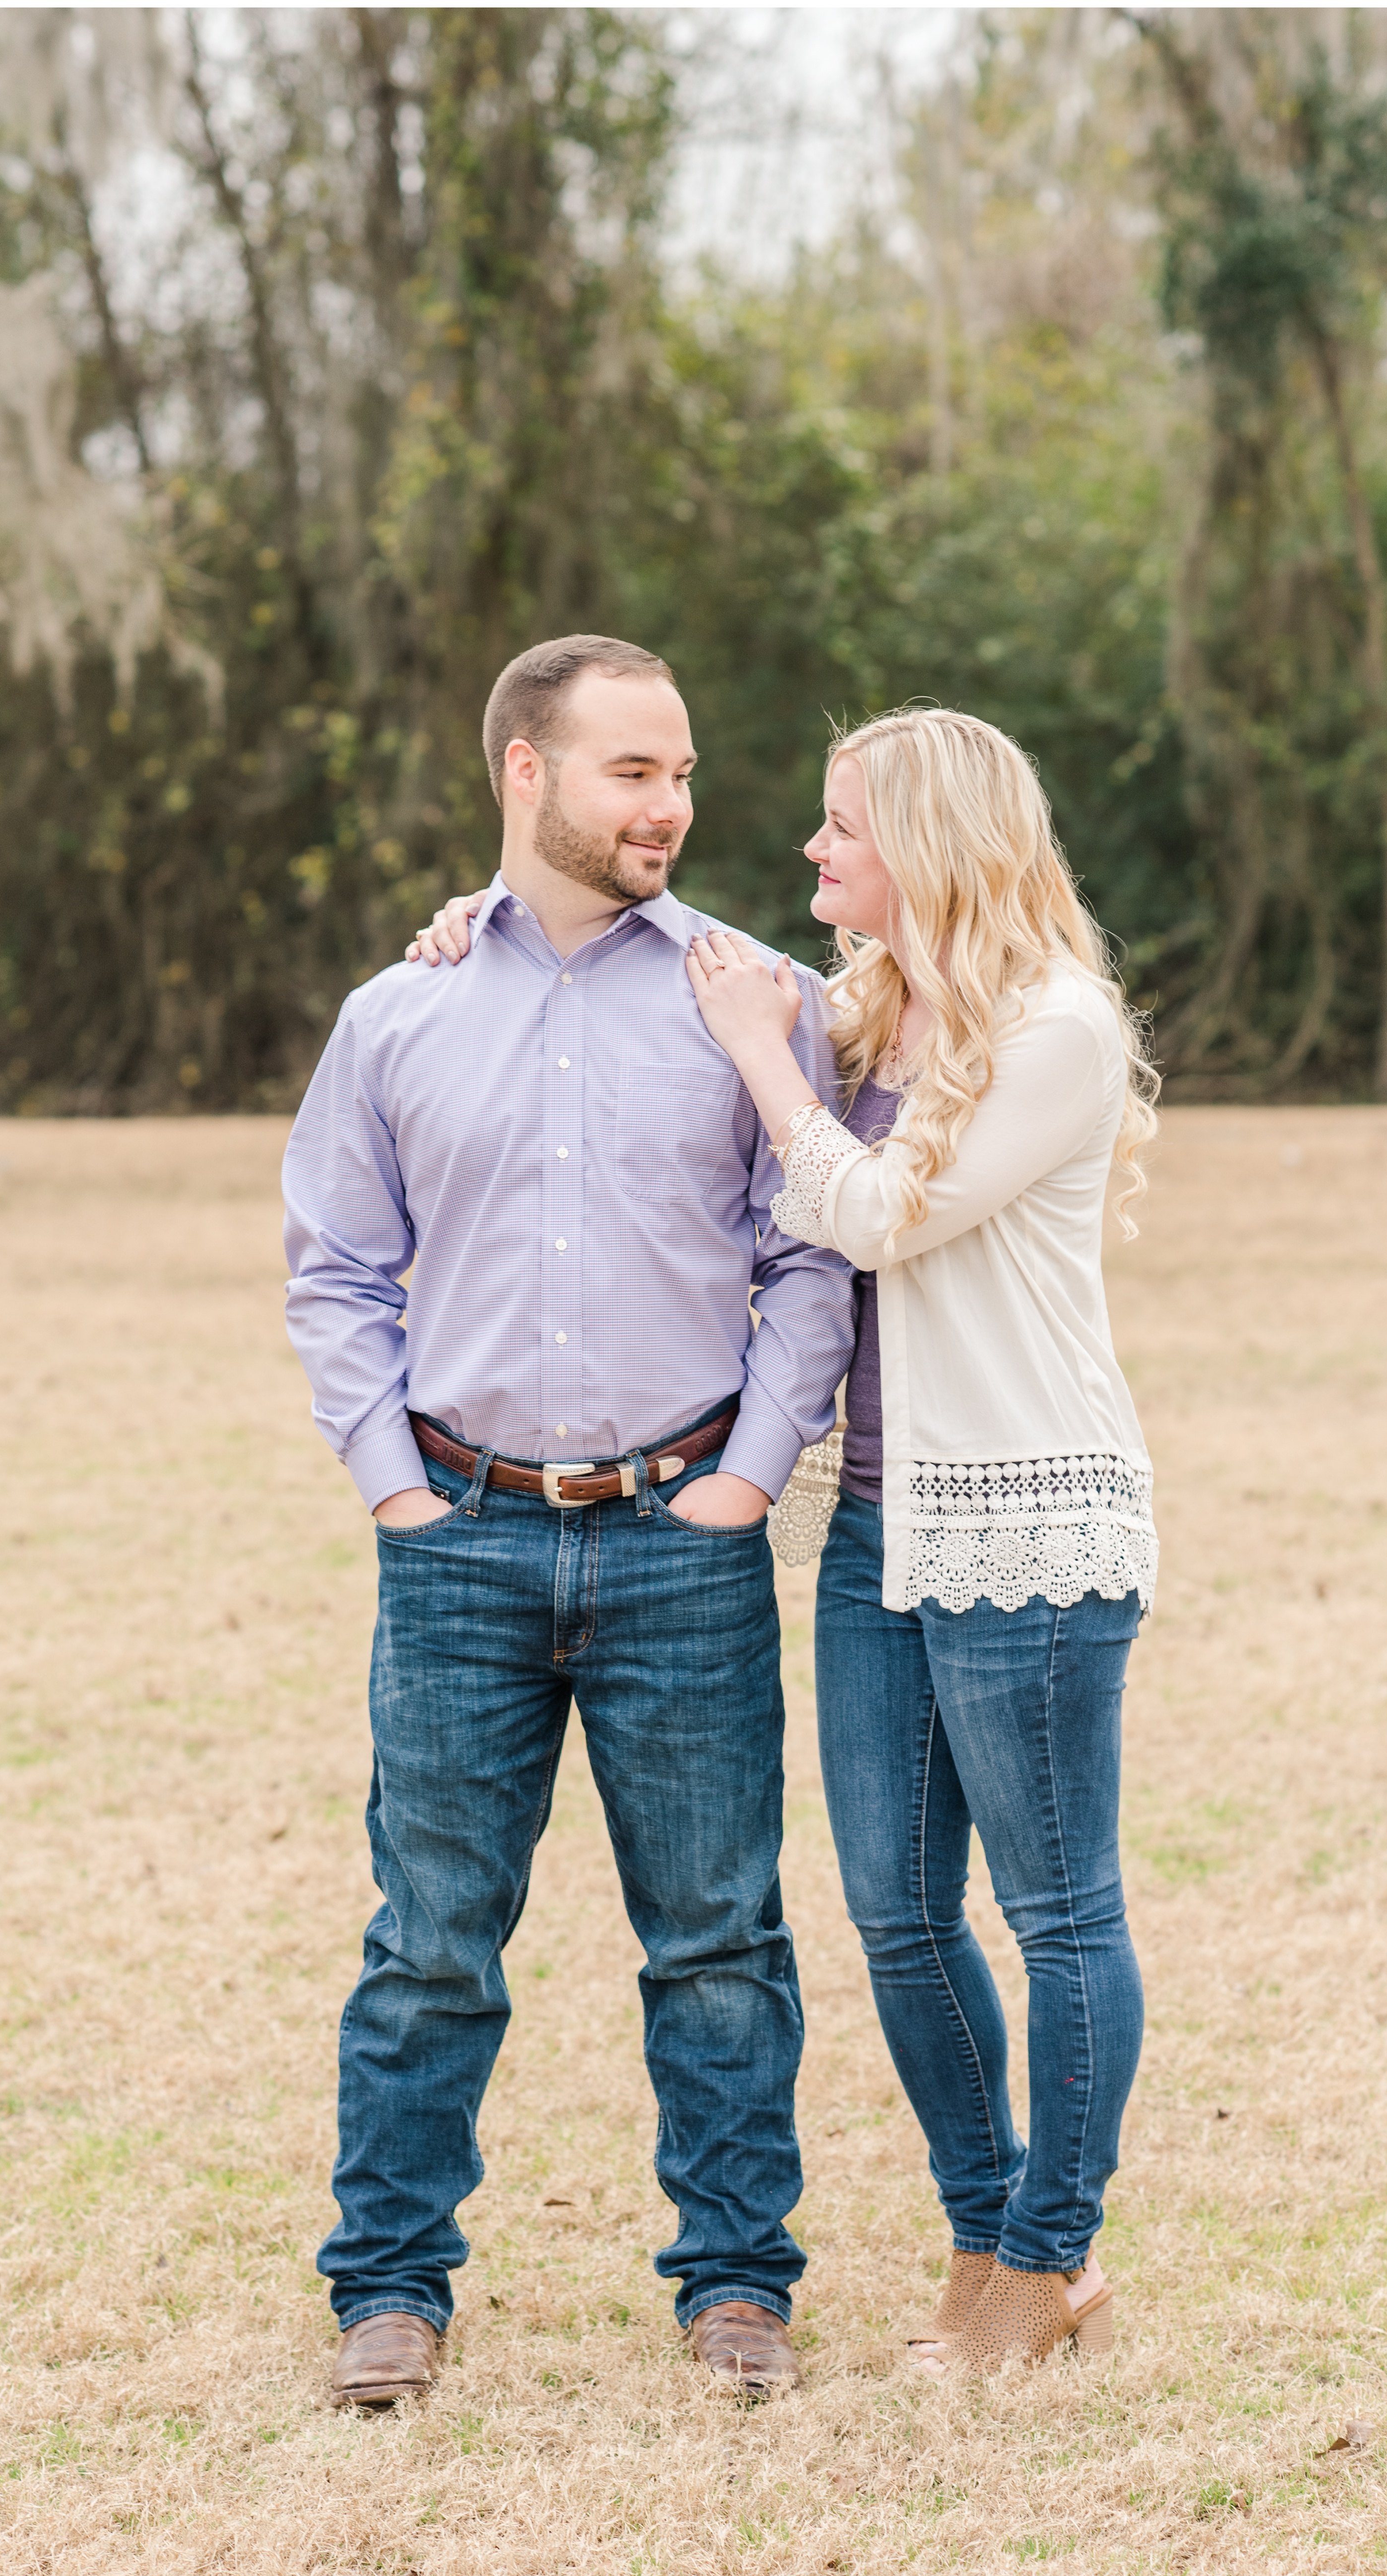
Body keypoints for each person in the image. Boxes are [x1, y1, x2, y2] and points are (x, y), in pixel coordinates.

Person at [417, 706, 1159, 2375]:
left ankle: (1049, 2255)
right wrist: (483, 934)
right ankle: (991, 2243)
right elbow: (626, 1004)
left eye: (843, 828)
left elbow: (881, 1209)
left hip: (1031, 1524)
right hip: (879, 1529)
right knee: (896, 1912)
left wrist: (767, 1055)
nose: (810, 851)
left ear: (931, 843)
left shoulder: (1055, 1027)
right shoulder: (875, 1007)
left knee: (1055, 1913)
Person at [280, 635, 855, 2409]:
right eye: (631, 773)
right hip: (454, 1533)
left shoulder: (751, 996)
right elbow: (336, 1268)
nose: (672, 806)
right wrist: (390, 1477)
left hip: (682, 1537)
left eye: (682, 773)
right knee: (429, 1941)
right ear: (525, 773)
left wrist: (745, 1480)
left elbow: (811, 1259)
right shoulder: (402, 1010)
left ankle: (738, 2286)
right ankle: (389, 2287)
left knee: (718, 1938)